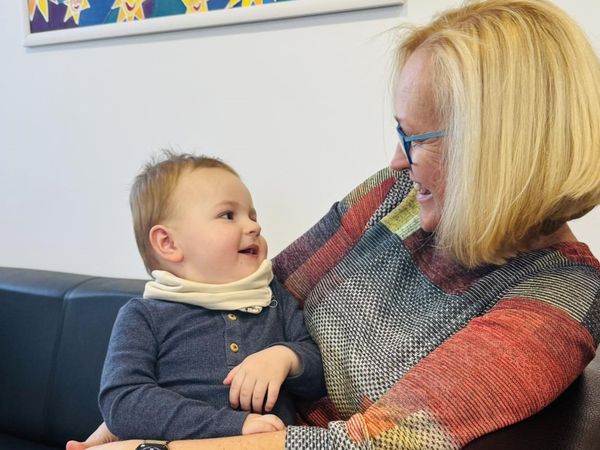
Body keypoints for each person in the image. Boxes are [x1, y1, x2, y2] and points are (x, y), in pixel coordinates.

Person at [67, 0, 600, 449]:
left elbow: (374, 442)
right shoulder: (395, 196)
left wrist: (158, 446)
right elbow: (267, 291)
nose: (396, 160)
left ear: (497, 150)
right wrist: (121, 423)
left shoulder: (560, 298)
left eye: (414, 139)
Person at [74, 153, 325, 445]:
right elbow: (123, 402)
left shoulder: (272, 296)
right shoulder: (143, 315)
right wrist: (233, 425)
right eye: (228, 215)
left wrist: (285, 357)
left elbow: (320, 378)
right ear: (169, 243)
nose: (254, 227)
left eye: (252, 216)